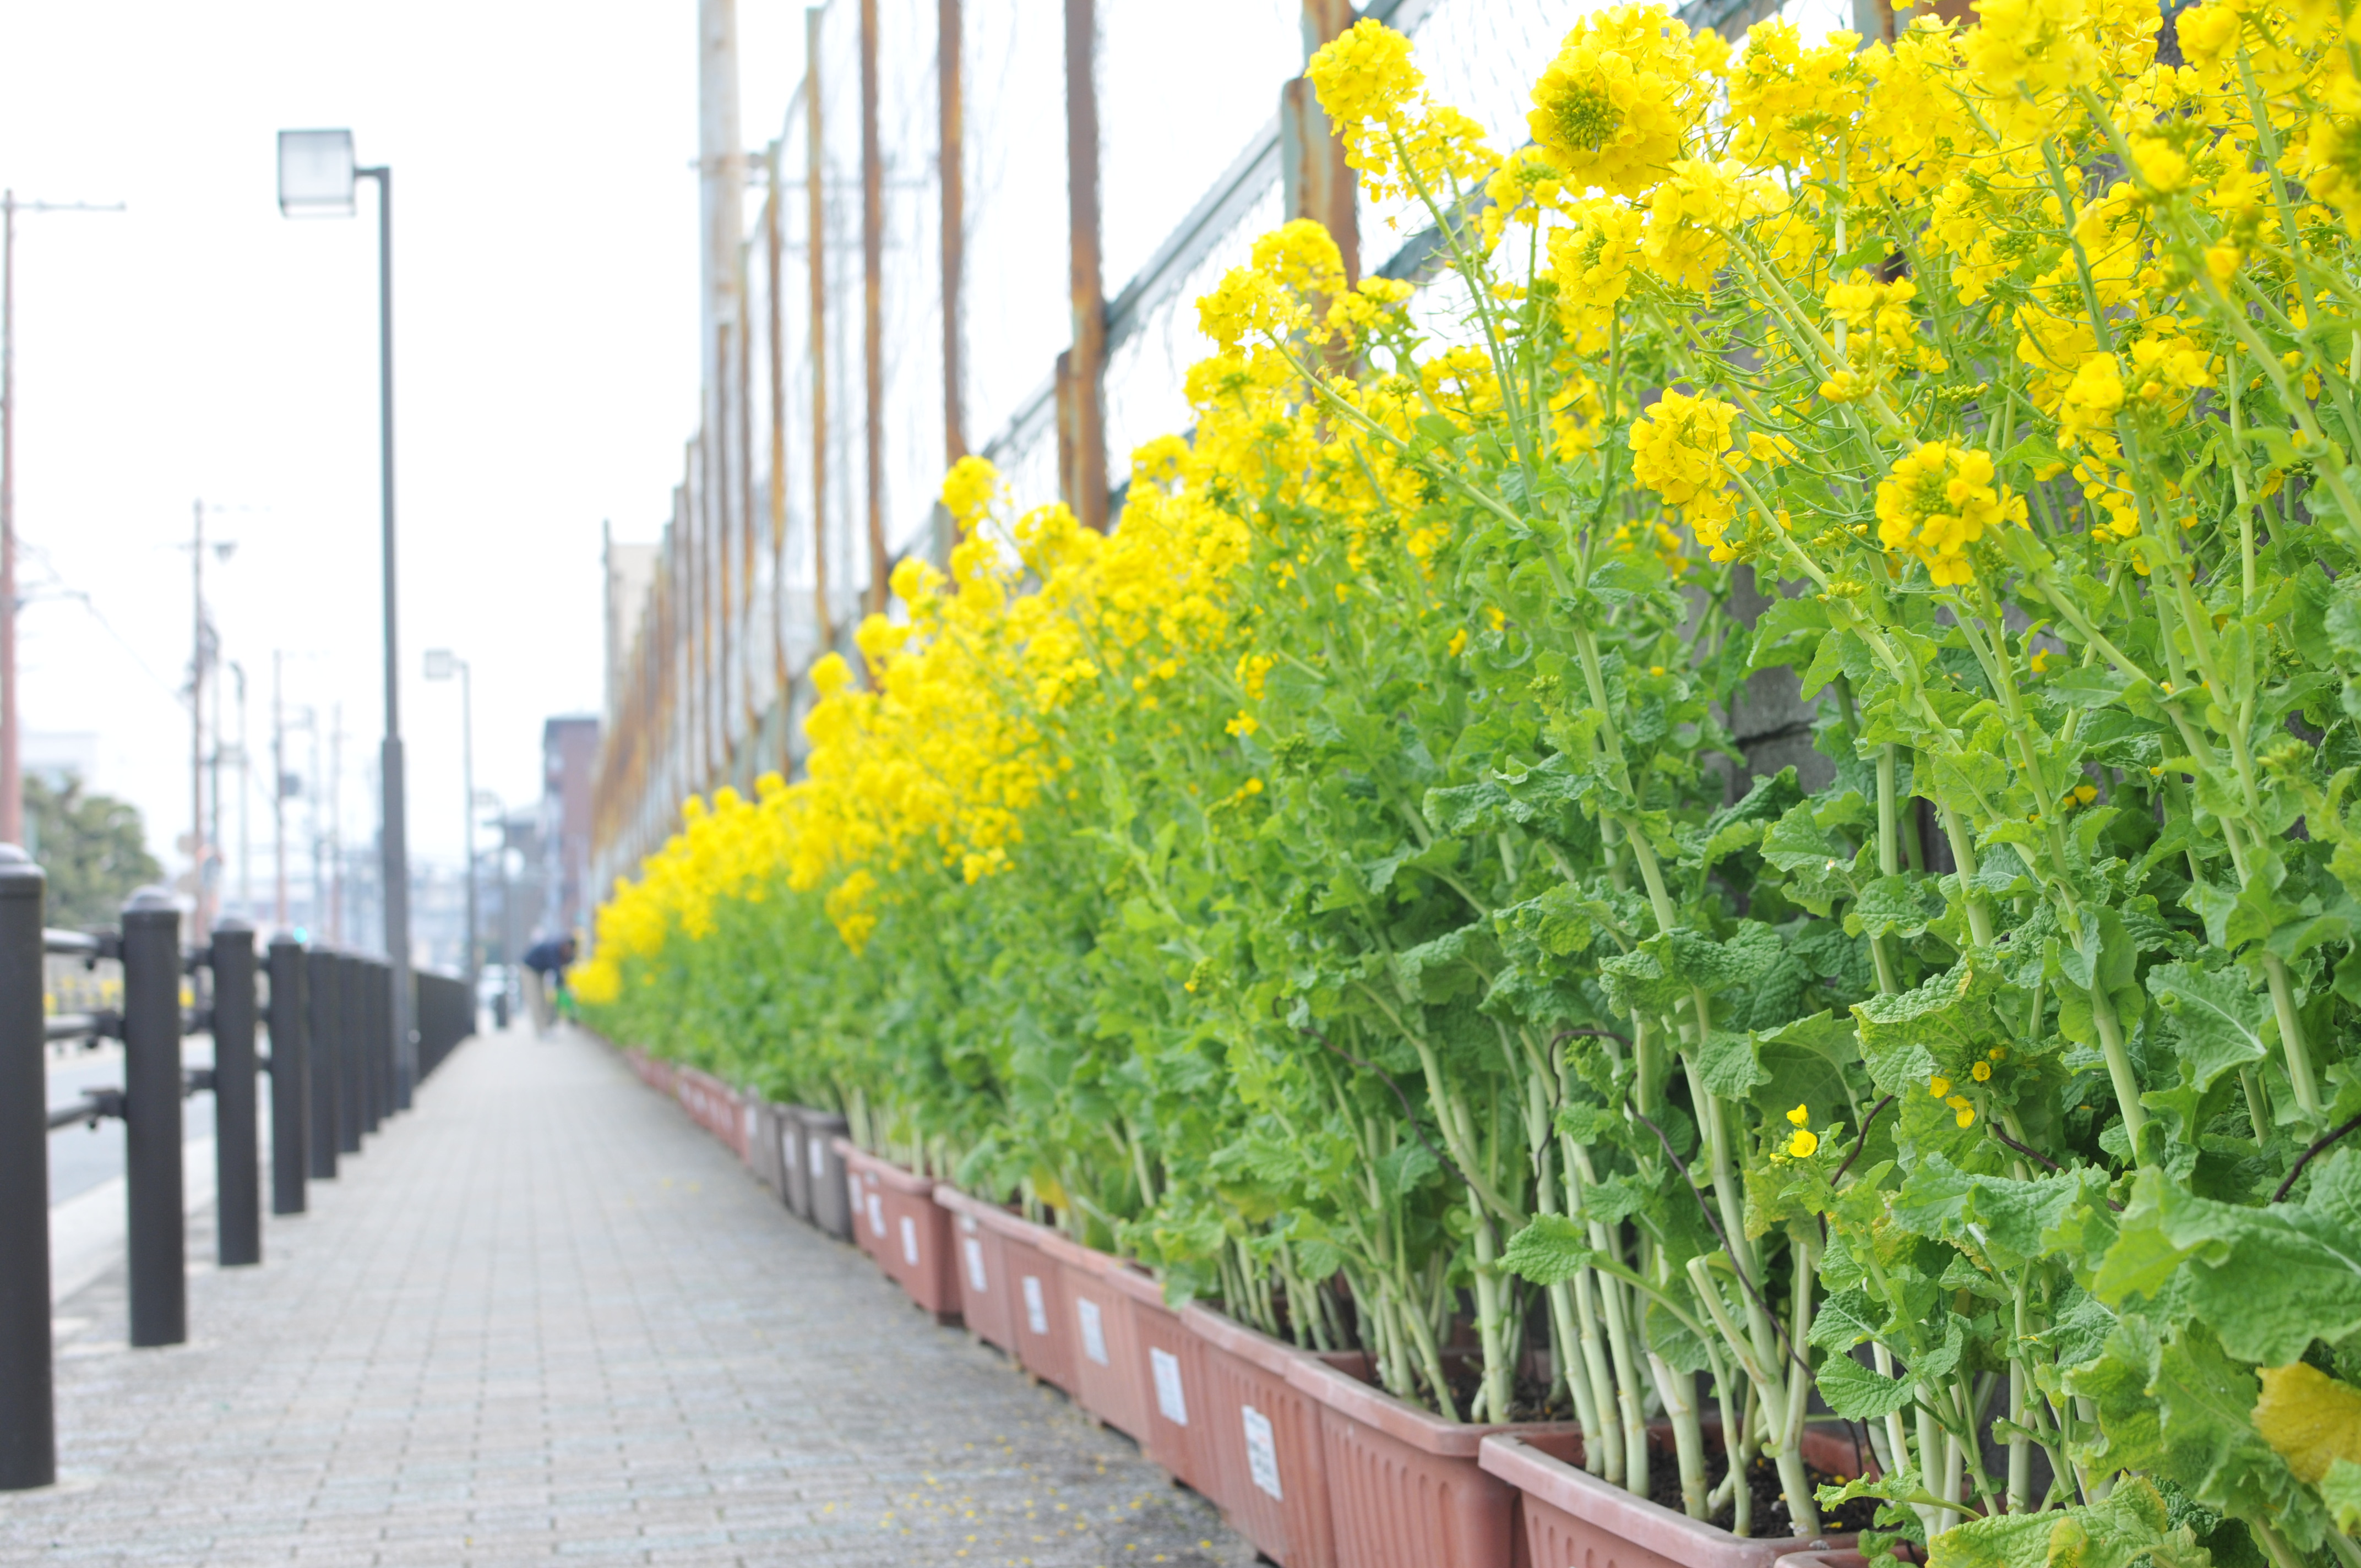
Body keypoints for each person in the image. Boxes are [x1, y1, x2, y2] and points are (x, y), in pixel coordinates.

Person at [520, 934, 576, 1037]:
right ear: (564, 946)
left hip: (540, 972)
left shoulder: (564, 954)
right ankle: (541, 1031)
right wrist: (563, 988)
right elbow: (557, 972)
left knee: (544, 1000)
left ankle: (546, 1028)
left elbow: (562, 971)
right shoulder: (553, 950)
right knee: (536, 1000)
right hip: (530, 970)